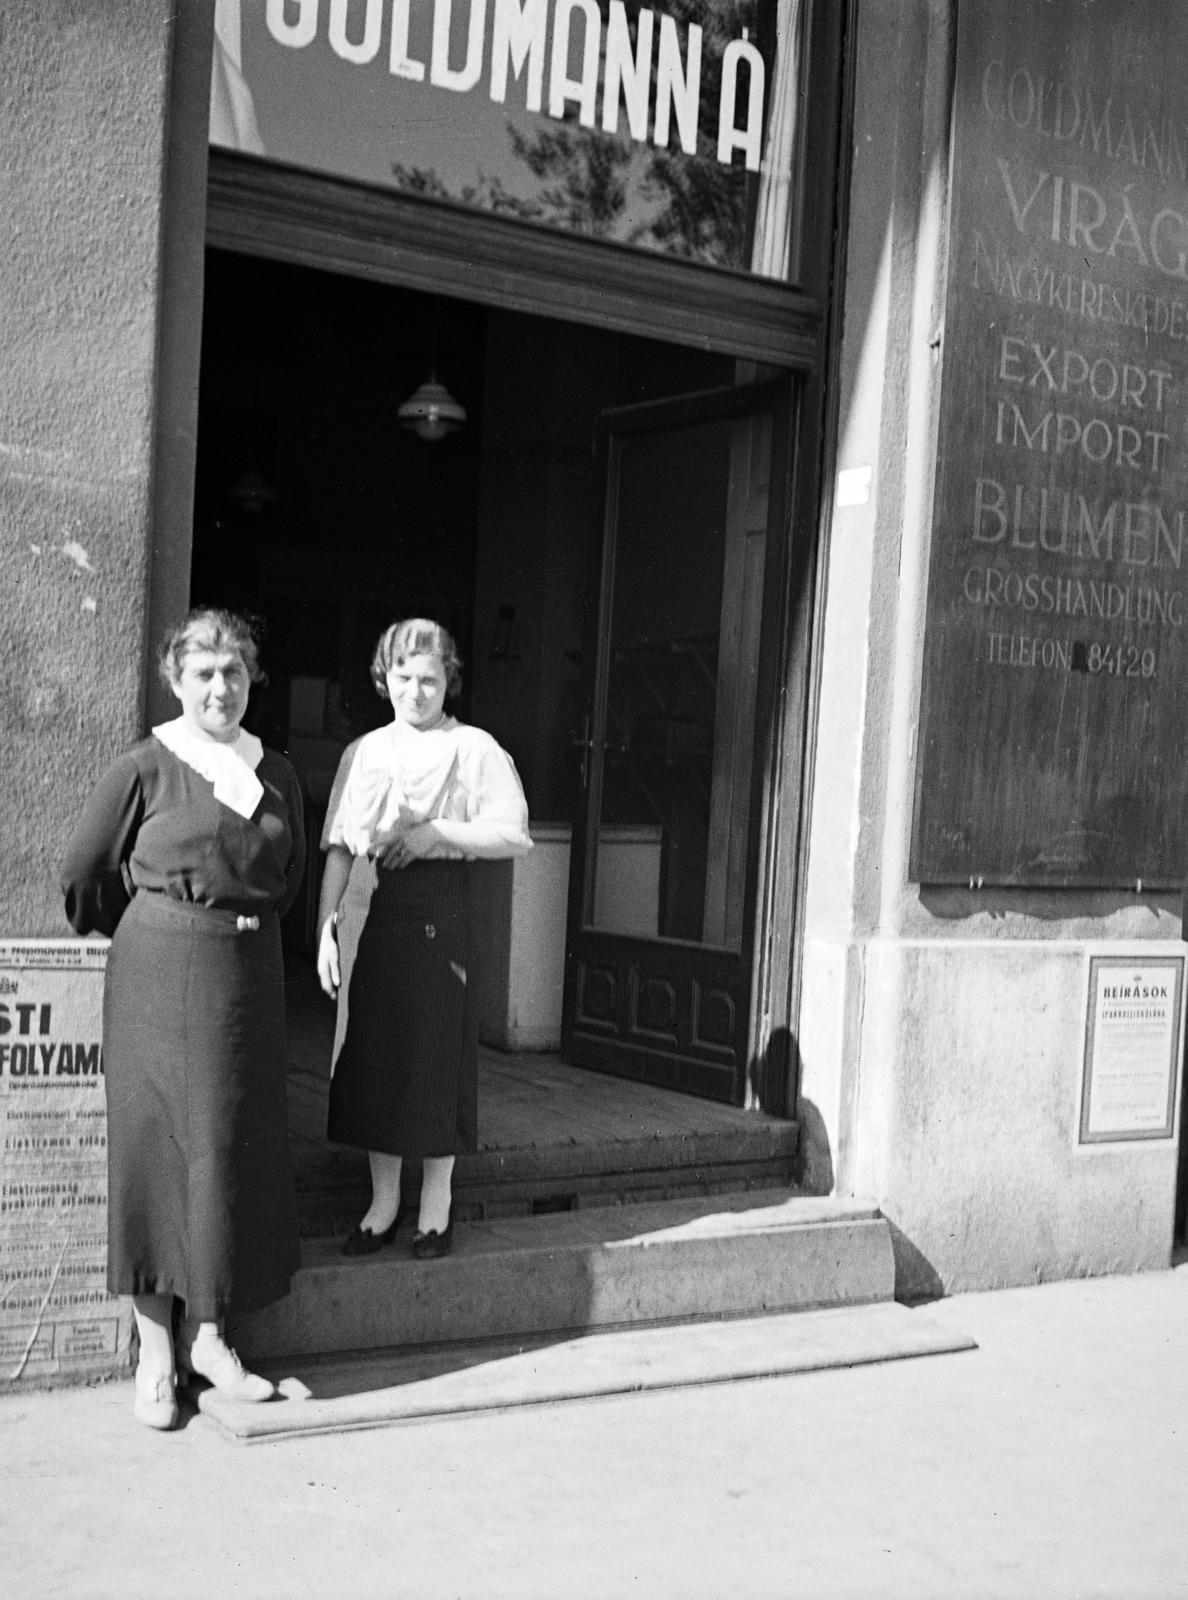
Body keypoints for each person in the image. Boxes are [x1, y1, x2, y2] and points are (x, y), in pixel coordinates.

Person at [60, 608, 305, 1431]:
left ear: (251, 679)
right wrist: (163, 928)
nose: (220, 688)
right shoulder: (146, 767)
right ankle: (156, 1356)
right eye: (203, 672)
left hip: (248, 985)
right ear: (176, 680)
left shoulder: (275, 772)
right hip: (159, 979)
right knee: (157, 1152)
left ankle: (212, 1340)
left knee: (228, 1151)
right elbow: (85, 874)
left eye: (233, 672)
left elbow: (290, 876)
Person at [317, 618, 531, 1259]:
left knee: (434, 1056)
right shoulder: (365, 752)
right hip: (371, 907)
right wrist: (327, 928)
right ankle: (383, 1204)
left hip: (441, 907)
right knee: (375, 1054)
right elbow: (337, 848)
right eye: (404, 677)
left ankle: (435, 1207)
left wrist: (437, 832)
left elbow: (513, 833)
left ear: (449, 682)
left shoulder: (473, 748)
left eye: (430, 679)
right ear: (385, 678)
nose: (416, 691)